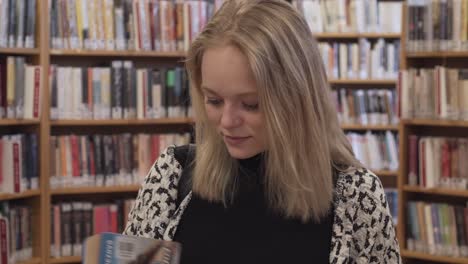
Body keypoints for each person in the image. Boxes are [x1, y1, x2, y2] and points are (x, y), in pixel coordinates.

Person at [123, 0, 401, 263]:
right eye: (214, 100)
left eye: (251, 104)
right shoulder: (171, 176)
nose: (227, 121)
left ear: (297, 99)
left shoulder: (358, 197)